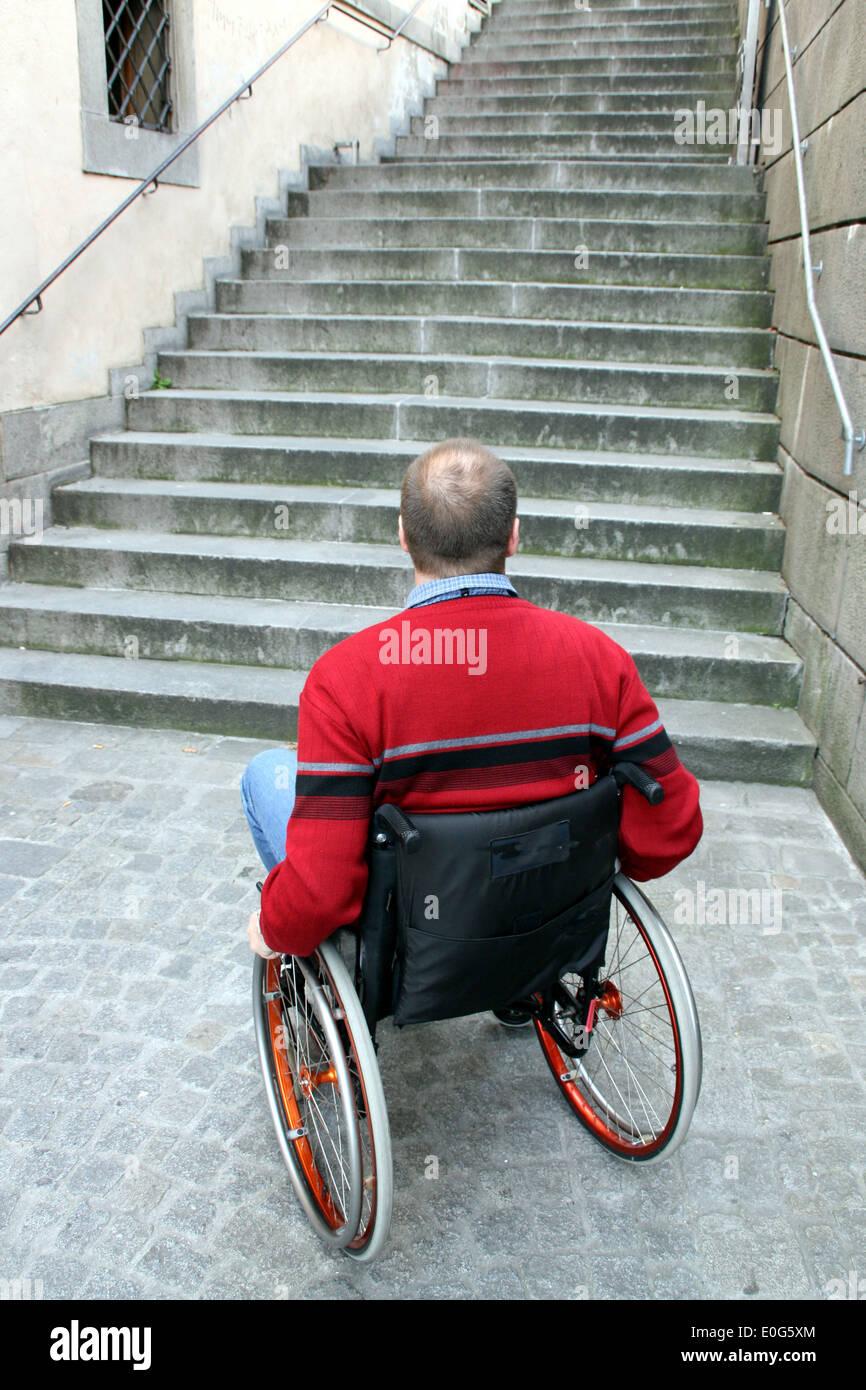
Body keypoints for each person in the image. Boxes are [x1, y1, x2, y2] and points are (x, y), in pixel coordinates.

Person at [243, 437, 702, 967]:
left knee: (266, 772)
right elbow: (674, 825)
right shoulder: (600, 658)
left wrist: (274, 926)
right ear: (513, 536)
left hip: (417, 936)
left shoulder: (345, 680)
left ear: (402, 535)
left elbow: (319, 888)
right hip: (550, 914)